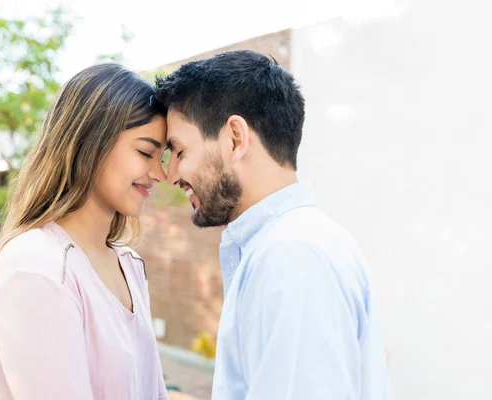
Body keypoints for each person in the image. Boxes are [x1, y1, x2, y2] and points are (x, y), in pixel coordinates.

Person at [155, 50, 391, 399]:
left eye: (179, 151)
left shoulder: (292, 258)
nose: (170, 174)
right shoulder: (293, 245)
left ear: (235, 138)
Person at [0, 64, 169, 399]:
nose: (159, 174)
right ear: (90, 142)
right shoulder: (37, 266)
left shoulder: (130, 264)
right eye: (145, 152)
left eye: (161, 157)